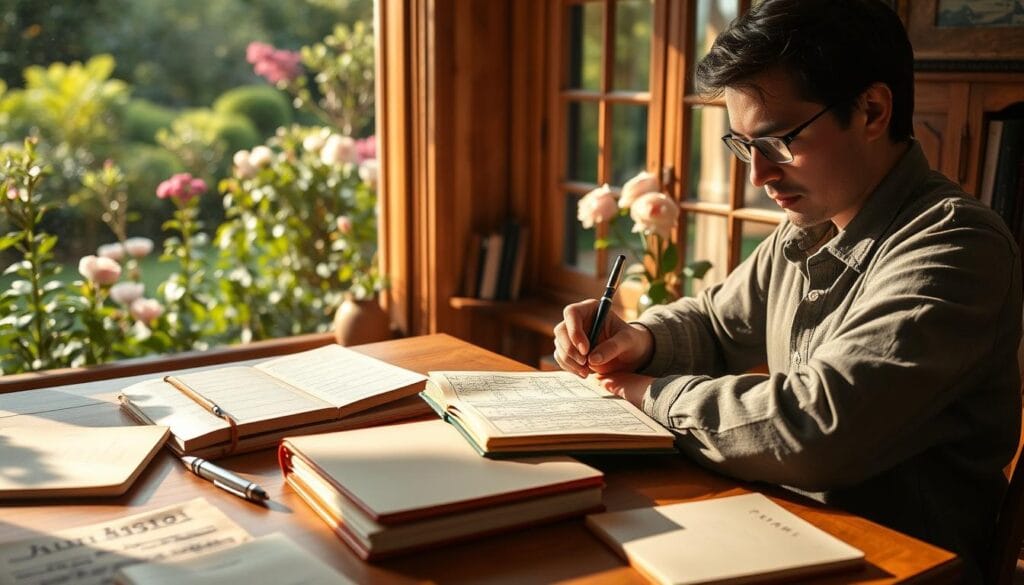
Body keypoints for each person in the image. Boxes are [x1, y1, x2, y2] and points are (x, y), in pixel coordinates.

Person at [552, 0, 1021, 581]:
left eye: (777, 142)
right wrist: (640, 340)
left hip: (900, 566)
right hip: (785, 531)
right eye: (743, 145)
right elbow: (716, 323)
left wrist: (647, 393)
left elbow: (818, 425)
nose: (758, 176)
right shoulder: (812, 225)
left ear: (872, 110)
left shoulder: (955, 245)